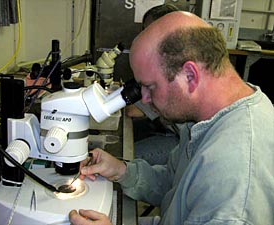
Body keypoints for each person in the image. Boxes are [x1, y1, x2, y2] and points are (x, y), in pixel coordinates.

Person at [69, 11, 274, 225]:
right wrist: (122, 171)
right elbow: (174, 184)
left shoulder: (235, 180)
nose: (145, 99)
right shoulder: (206, 121)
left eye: (149, 86)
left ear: (190, 76)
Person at [126, 2, 181, 165]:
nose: (143, 36)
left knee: (126, 159)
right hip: (164, 128)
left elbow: (133, 110)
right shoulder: (161, 60)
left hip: (180, 141)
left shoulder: (171, 66)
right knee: (121, 141)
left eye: (147, 30)